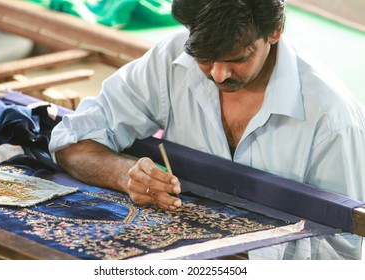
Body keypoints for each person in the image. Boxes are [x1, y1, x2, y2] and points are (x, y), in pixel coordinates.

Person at [49, 0, 365, 259]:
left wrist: (238, 257)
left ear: (275, 31)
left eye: (238, 58)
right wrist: (124, 173)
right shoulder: (171, 58)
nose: (218, 74)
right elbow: (71, 139)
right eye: (203, 58)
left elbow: (343, 252)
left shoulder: (331, 118)